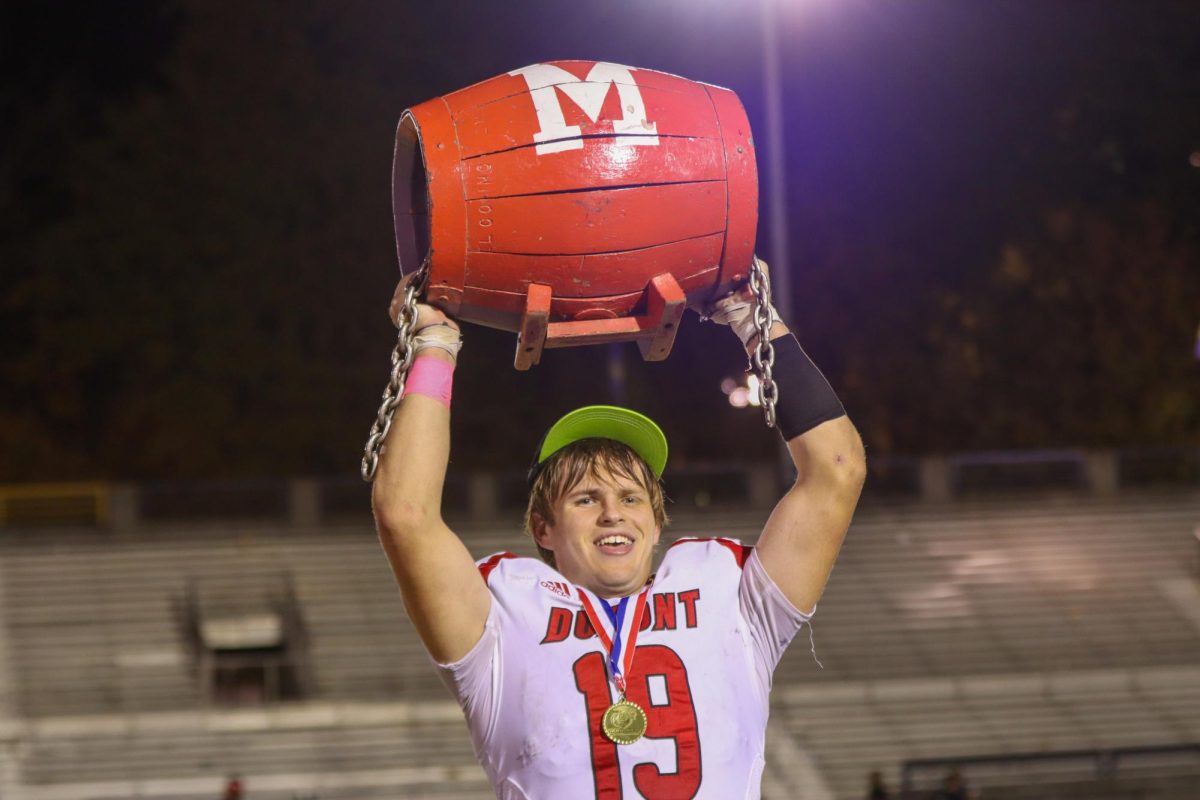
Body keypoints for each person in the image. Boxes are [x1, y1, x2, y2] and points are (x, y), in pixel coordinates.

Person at [371, 266, 866, 799]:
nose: (613, 513)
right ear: (543, 527)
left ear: (657, 526)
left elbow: (837, 468)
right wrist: (434, 343)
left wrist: (753, 317)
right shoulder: (502, 618)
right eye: (586, 499)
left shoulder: (733, 596)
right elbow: (404, 513)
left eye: (631, 498)